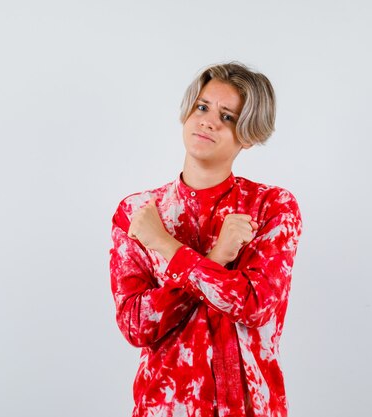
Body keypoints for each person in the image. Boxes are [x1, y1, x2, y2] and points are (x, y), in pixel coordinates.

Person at [109, 61, 303, 417]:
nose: (208, 121)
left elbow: (256, 305)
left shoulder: (271, 207)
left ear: (249, 134)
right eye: (202, 107)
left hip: (249, 407)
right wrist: (214, 259)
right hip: (166, 405)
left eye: (227, 117)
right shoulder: (138, 213)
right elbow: (136, 325)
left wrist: (167, 246)